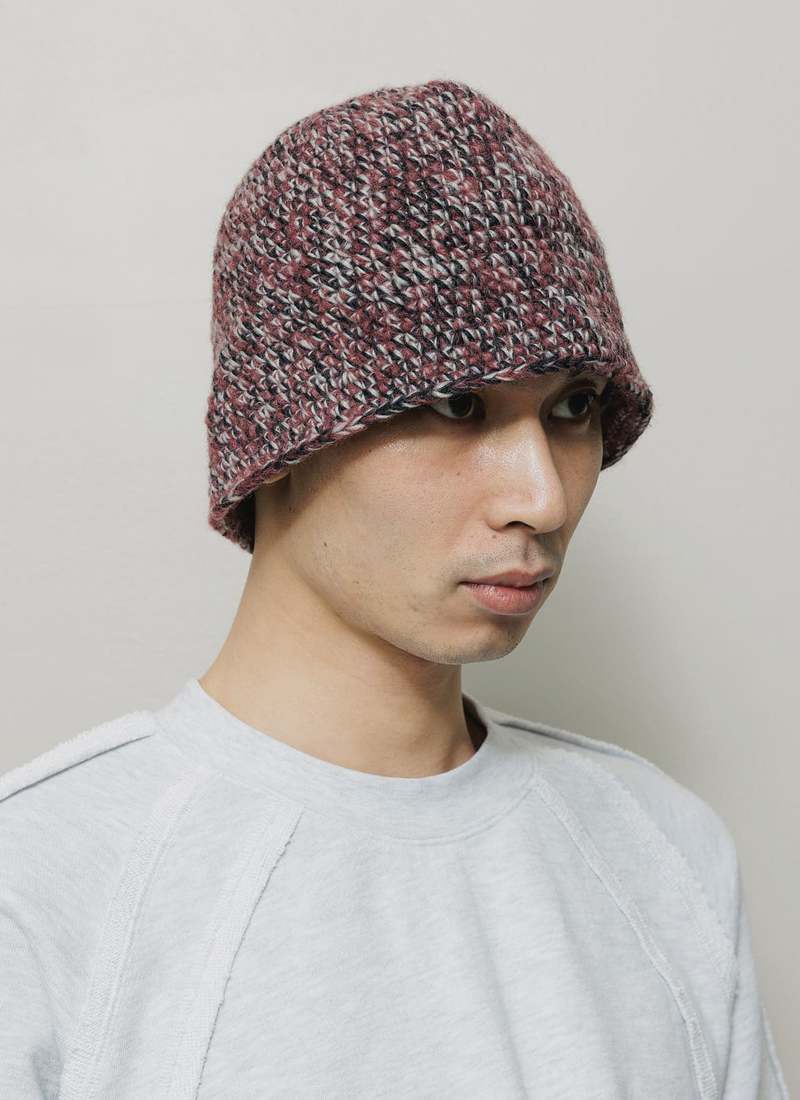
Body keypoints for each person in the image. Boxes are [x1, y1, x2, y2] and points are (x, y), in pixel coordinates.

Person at [0, 78, 788, 1099]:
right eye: (458, 405)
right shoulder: (42, 889)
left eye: (573, 407)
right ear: (282, 440)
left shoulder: (662, 851)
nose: (542, 497)